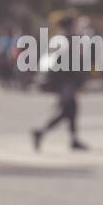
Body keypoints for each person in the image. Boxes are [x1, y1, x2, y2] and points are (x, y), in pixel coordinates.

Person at [32, 15, 88, 152]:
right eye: (76, 24)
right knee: (66, 112)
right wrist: (78, 82)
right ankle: (41, 132)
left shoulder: (59, 38)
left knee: (70, 111)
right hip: (66, 82)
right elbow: (72, 64)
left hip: (62, 82)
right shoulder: (68, 40)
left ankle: (72, 139)